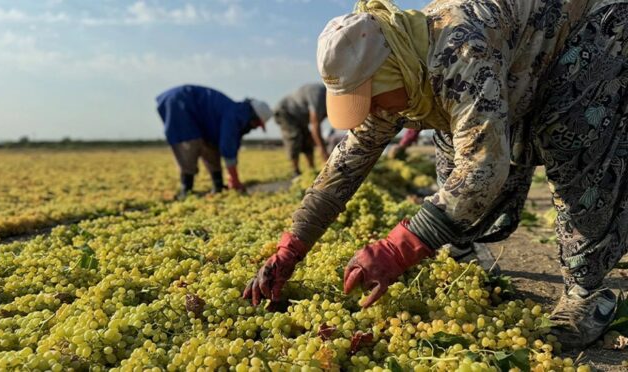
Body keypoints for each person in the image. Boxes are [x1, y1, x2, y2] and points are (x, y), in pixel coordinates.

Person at [244, 0, 628, 349]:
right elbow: (344, 167)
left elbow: (482, 169)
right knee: (453, 154)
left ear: (392, 71)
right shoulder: (398, 70)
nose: (372, 109)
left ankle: (587, 292)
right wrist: (290, 249)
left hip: (584, 34)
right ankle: (463, 246)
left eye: (373, 96)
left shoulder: (460, 50)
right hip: (516, 59)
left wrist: (399, 247)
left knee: (572, 143)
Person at [156, 85, 272, 199]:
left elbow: (219, 145)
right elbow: (228, 147)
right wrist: (234, 179)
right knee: (188, 143)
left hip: (187, 105)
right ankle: (186, 189)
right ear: (253, 117)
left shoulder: (237, 113)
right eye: (257, 124)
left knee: (210, 145)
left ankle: (218, 185)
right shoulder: (235, 117)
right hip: (180, 102)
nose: (255, 128)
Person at [273, 83, 329, 176]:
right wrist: (324, 153)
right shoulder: (318, 96)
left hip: (301, 116)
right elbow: (315, 126)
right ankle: (296, 171)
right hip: (286, 111)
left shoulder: (328, 101)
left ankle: (311, 169)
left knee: (307, 140)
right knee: (294, 137)